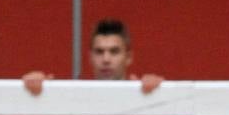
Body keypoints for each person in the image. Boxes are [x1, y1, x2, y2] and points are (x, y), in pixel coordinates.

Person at [22, 19, 163, 96]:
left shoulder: (147, 89)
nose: (106, 59)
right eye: (99, 51)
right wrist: (37, 93)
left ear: (128, 57)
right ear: (90, 57)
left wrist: (159, 92)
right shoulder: (73, 97)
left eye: (114, 52)